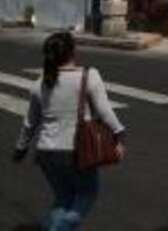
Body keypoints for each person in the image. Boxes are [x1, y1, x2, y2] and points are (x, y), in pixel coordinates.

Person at [13, 31, 126, 230]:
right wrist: (119, 135)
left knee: (64, 198)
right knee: (87, 195)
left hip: (46, 153)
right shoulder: (89, 75)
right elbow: (105, 112)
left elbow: (30, 123)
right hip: (76, 151)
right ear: (73, 52)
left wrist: (20, 148)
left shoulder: (39, 83)